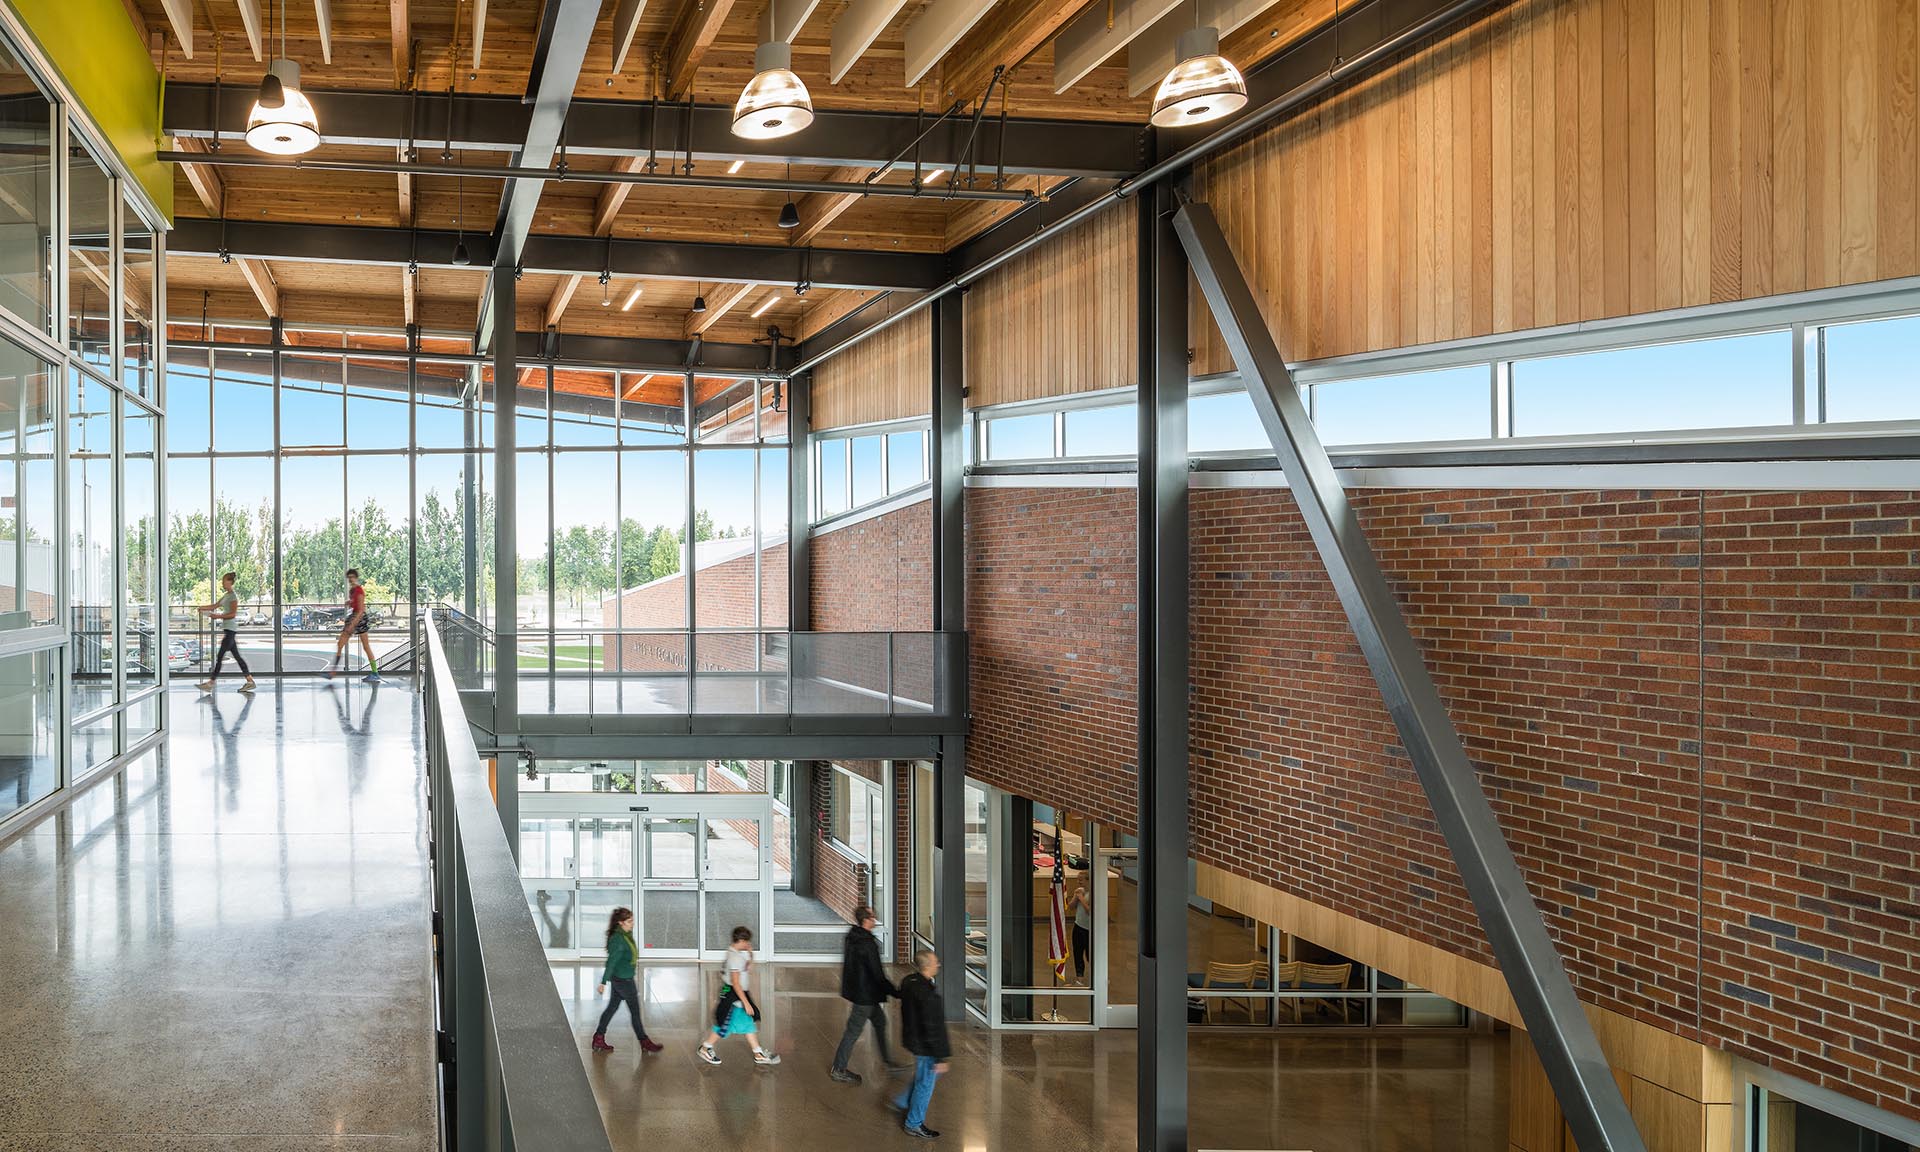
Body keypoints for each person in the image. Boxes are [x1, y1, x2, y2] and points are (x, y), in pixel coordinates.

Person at [829, 904, 904, 1083]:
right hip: (865, 996)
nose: (875, 919)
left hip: (861, 993)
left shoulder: (853, 936)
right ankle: (838, 1068)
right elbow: (877, 974)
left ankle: (888, 1061)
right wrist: (896, 992)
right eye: (872, 917)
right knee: (853, 1031)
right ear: (865, 921)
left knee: (880, 1022)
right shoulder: (867, 944)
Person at [697, 926, 780, 1067]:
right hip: (735, 997)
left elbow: (747, 968)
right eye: (747, 942)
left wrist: (750, 954)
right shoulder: (735, 958)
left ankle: (758, 1053)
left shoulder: (735, 953)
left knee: (747, 1024)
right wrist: (746, 1002)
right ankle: (705, 1048)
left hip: (738, 995)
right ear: (741, 940)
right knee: (724, 1025)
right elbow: (735, 983)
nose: (748, 944)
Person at [892, 949, 950, 1140]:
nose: (939, 964)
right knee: (926, 1084)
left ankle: (902, 1101)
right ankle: (913, 1123)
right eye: (936, 962)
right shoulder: (928, 995)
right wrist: (941, 1057)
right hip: (925, 1046)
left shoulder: (909, 981)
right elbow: (934, 1028)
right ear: (927, 966)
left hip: (913, 1040)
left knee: (925, 1076)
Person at [591, 907, 663, 1055]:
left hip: (620, 979)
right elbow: (611, 962)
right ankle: (644, 1042)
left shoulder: (625, 935)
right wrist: (603, 982)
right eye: (629, 921)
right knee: (635, 1012)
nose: (632, 924)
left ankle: (598, 1037)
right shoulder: (619, 940)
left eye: (632, 920)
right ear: (620, 923)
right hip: (624, 981)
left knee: (612, 1008)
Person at [195, 571, 256, 694]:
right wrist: (202, 608)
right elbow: (214, 606)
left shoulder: (233, 596)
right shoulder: (226, 595)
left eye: (224, 581)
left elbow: (232, 614)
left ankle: (211, 683)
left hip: (231, 630)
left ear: (230, 582)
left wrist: (217, 616)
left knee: (220, 657)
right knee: (237, 657)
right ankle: (250, 681)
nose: (222, 583)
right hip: (228, 630)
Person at [324, 568, 380, 683]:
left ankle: (375, 673)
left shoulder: (359, 590)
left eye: (352, 577)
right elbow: (355, 604)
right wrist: (349, 602)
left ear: (356, 578)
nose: (350, 580)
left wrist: (352, 625)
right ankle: (333, 672)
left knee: (365, 646)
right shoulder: (352, 591)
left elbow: (360, 610)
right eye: (349, 578)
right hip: (354, 616)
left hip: (359, 618)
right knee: (340, 644)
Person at [1067, 885, 1093, 983]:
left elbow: (1090, 911)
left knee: (1090, 954)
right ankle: (1079, 977)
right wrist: (1075, 896)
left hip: (1089, 929)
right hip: (1078, 926)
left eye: (1081, 880)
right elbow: (1070, 907)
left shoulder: (1092, 894)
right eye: (1078, 880)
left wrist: (1081, 898)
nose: (1079, 882)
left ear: (1088, 881)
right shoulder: (1080, 891)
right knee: (1077, 953)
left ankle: (1097, 976)